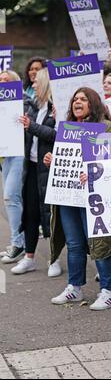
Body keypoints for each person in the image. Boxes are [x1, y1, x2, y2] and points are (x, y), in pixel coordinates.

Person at [50, 87, 111, 310]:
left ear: (93, 103)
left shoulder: (106, 127)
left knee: (98, 242)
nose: (78, 102)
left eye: (83, 99)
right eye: (75, 99)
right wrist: (52, 160)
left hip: (93, 194)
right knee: (74, 243)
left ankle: (109, 291)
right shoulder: (67, 129)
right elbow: (64, 158)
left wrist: (95, 171)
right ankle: (75, 287)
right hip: (69, 195)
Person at [11, 68, 56, 275]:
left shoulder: (58, 108)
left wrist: (32, 127)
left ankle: (54, 259)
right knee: (30, 213)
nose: (34, 85)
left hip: (49, 168)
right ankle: (29, 257)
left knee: (52, 215)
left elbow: (56, 135)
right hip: (31, 167)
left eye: (37, 82)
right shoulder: (32, 107)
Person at [0, 70, 25, 264]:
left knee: (11, 196)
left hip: (18, 152)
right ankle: (18, 241)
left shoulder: (23, 102)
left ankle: (19, 244)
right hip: (5, 156)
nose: (2, 83)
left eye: (6, 81)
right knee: (11, 199)